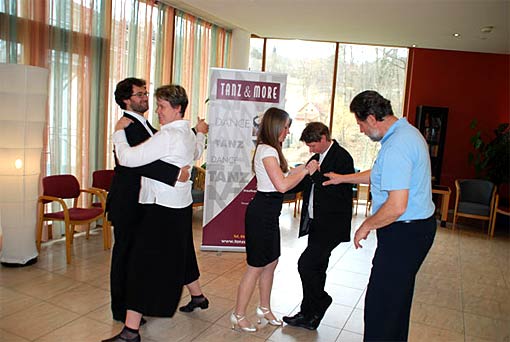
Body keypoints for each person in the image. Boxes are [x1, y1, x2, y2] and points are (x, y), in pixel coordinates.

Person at [323, 90, 436, 342]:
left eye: (361, 124)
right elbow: (381, 174)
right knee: (396, 302)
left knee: (381, 306)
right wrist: (344, 179)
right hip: (416, 229)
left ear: (372, 118)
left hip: (404, 232)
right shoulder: (407, 133)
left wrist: (366, 225)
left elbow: (397, 206)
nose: (361, 130)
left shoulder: (397, 145)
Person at [103, 84, 207, 342]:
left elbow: (127, 159)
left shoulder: (167, 134)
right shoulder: (185, 133)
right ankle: (197, 296)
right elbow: (194, 152)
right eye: (156, 104)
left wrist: (117, 135)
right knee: (176, 256)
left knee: (141, 268)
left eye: (161, 106)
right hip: (176, 206)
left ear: (177, 108)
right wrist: (199, 138)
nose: (157, 110)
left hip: (161, 209)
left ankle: (130, 331)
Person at [231, 107, 319, 332]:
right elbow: (282, 185)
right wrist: (306, 170)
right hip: (261, 214)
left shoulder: (272, 150)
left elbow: (283, 179)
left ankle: (264, 308)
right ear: (276, 126)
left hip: (270, 213)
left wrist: (299, 171)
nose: (288, 131)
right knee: (255, 267)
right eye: (286, 126)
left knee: (271, 263)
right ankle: (238, 314)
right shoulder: (267, 151)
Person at [282, 122, 354, 330]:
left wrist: (315, 174)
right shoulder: (315, 158)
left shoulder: (342, 158)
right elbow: (306, 185)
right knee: (317, 268)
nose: (310, 150)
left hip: (331, 225)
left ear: (324, 138)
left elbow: (339, 194)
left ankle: (321, 301)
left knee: (305, 264)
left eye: (313, 145)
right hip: (315, 222)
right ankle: (308, 313)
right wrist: (292, 176)